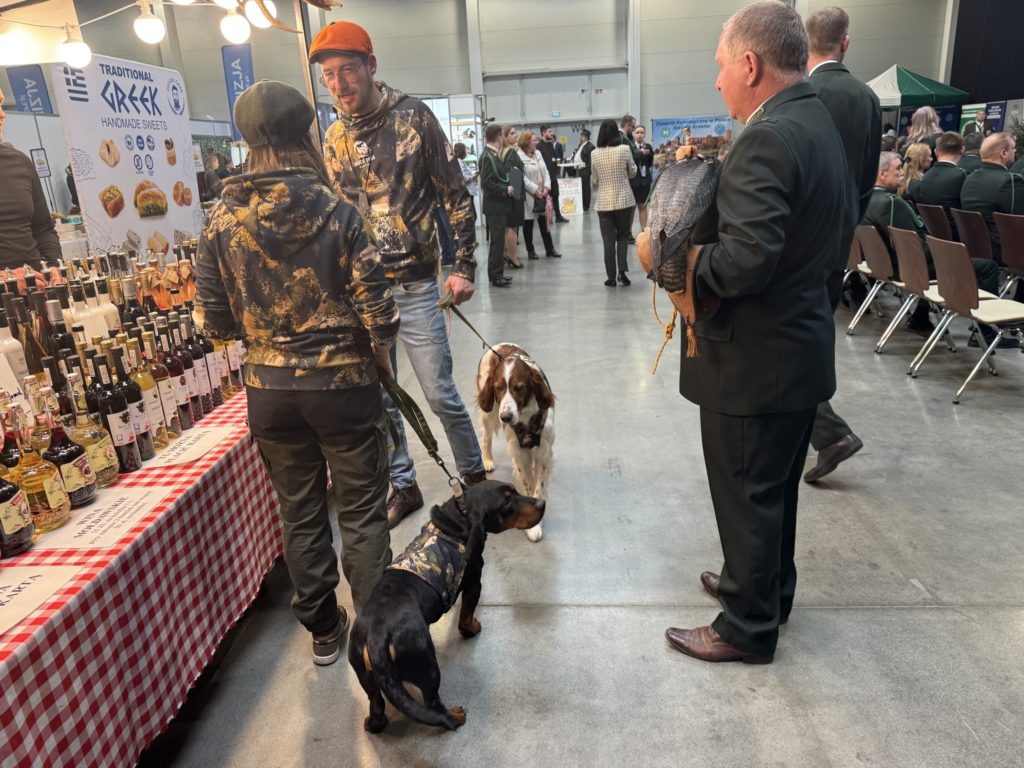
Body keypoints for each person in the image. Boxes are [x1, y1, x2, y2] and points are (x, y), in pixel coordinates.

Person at [665, 1, 849, 665]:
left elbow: (745, 259)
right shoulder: (817, 120)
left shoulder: (765, 138)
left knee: (745, 490)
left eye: (721, 67)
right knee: (772, 492)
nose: (717, 81)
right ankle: (767, 591)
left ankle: (745, 626)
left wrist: (679, 261)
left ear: (749, 64)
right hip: (798, 348)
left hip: (753, 360)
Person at [194, 81, 400, 666]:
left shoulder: (219, 221)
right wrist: (376, 353)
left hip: (270, 392)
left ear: (246, 140)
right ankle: (377, 635)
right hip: (345, 389)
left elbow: (214, 322)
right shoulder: (340, 211)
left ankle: (324, 630)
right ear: (306, 132)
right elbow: (380, 313)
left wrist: (265, 332)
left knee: (300, 511)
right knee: (361, 513)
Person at [312, 20, 486, 527]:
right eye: (328, 76)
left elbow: (455, 195)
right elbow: (335, 217)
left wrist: (464, 265)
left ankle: (475, 480)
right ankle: (404, 485)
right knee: (383, 398)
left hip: (416, 287)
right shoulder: (333, 138)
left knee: (438, 393)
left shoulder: (414, 118)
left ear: (371, 65)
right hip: (363, 294)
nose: (339, 84)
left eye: (347, 70)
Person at [802, 4, 881, 485]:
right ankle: (821, 430)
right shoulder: (867, 98)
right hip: (839, 241)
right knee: (812, 336)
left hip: (795, 245)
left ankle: (828, 432)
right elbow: (868, 179)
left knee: (787, 343)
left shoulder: (801, 94)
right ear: (845, 42)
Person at [865, 151, 1007, 346]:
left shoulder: (867, 201)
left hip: (886, 266)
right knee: (987, 267)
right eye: (897, 168)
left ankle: (921, 316)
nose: (902, 172)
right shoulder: (891, 204)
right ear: (882, 174)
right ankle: (986, 332)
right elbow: (914, 249)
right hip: (908, 269)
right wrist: (948, 252)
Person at [0, 88, 61, 272]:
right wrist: (5, 278)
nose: (2, 115)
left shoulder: (19, 161)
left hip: (38, 283)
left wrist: (54, 265)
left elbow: (43, 228)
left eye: (1, 105)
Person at [960, 132, 1024, 268]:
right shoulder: (1011, 181)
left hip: (977, 250)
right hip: (1005, 253)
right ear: (1003, 153)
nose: (1015, 151)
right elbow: (1019, 221)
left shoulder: (969, 178)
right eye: (1013, 148)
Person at [590, 119, 636, 287]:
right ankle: (622, 273)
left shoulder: (594, 154)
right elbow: (632, 172)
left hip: (603, 202)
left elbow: (594, 179)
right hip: (624, 200)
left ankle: (610, 277)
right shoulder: (624, 149)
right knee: (622, 237)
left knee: (608, 241)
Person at [479, 123, 515, 286]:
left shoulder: (492, 154)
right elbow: (486, 183)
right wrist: (504, 189)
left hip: (498, 206)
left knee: (498, 242)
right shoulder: (488, 156)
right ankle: (496, 275)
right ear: (499, 138)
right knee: (497, 242)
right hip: (495, 206)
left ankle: (496, 273)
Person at [917, 131, 968, 238]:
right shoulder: (961, 175)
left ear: (936, 152)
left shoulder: (926, 175)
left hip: (930, 234)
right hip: (955, 236)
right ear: (962, 150)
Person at [517, 130, 559, 259]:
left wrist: (546, 187)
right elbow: (521, 177)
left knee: (544, 223)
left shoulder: (538, 153)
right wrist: (535, 190)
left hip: (543, 193)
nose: (536, 142)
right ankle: (530, 251)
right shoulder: (519, 156)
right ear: (526, 142)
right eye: (534, 140)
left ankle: (550, 249)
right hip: (530, 195)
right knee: (528, 224)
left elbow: (545, 171)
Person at [502, 125, 525, 269]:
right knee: (513, 227)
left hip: (510, 192)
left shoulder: (504, 151)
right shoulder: (510, 152)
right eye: (512, 133)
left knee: (509, 227)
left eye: (515, 133)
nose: (515, 135)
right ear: (504, 136)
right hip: (514, 192)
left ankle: (508, 254)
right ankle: (513, 257)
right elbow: (510, 172)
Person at [537, 125, 569, 223]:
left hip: (553, 177)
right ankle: (545, 218)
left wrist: (556, 169)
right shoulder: (539, 146)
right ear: (544, 133)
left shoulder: (551, 144)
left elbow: (554, 158)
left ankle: (558, 216)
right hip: (545, 179)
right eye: (549, 131)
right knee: (545, 198)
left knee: (555, 196)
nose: (551, 133)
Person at [632, 125, 654, 231]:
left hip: (644, 181)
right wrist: (640, 153)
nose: (640, 135)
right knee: (631, 208)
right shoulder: (631, 147)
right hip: (632, 181)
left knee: (643, 206)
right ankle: (628, 233)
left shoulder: (648, 146)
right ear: (634, 134)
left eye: (642, 132)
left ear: (644, 134)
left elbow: (650, 163)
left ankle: (644, 231)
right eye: (637, 132)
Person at [453, 142, 479, 218]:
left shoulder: (459, 161)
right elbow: (464, 177)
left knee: (472, 215)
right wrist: (474, 176)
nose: (466, 152)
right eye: (465, 150)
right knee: (472, 216)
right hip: (467, 192)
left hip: (467, 192)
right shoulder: (459, 162)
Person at [570, 129, 594, 211]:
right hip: (579, 170)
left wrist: (588, 172)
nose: (581, 137)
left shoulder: (590, 146)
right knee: (581, 188)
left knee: (585, 189)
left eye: (582, 136)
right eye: (581, 136)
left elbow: (590, 161)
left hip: (585, 170)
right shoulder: (581, 145)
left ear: (586, 137)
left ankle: (586, 205)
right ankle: (581, 203)